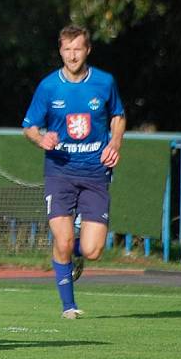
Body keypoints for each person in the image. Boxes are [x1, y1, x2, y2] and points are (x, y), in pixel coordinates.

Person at [22, 24, 125, 319]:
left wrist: (115, 143)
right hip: (59, 173)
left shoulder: (104, 83)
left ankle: (73, 256)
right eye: (67, 50)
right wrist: (42, 138)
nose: (72, 55)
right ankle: (69, 306)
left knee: (93, 250)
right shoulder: (49, 86)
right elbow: (29, 126)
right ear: (60, 51)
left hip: (95, 174)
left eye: (77, 49)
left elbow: (118, 116)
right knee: (63, 241)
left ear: (87, 50)